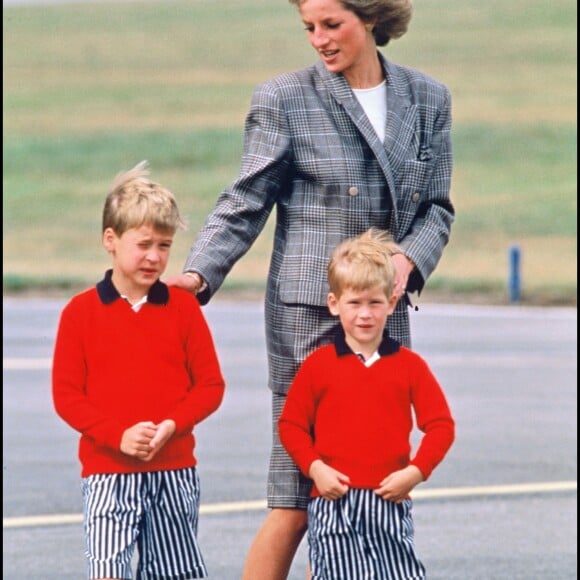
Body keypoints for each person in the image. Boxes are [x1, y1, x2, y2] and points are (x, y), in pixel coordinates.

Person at [165, 0, 454, 576]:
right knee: (297, 495)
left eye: (331, 25)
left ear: (370, 19)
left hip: (382, 309)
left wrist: (407, 263)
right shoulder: (285, 96)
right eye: (309, 28)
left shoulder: (429, 98)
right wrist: (197, 277)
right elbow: (247, 198)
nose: (319, 40)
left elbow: (437, 211)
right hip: (307, 314)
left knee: (374, 488)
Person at [52, 161, 225, 580]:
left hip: (174, 471)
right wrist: (118, 436)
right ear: (110, 240)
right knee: (107, 571)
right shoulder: (80, 313)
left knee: (174, 573)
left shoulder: (183, 309)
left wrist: (173, 424)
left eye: (164, 246)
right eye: (144, 243)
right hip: (108, 474)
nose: (154, 257)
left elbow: (210, 386)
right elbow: (68, 397)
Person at [278, 228, 455, 579]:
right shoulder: (318, 366)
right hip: (333, 503)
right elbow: (291, 425)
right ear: (334, 304)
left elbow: (441, 426)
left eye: (374, 302)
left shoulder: (409, 366)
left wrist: (415, 472)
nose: (364, 314)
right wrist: (315, 468)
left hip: (389, 501)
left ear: (391, 303)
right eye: (354, 303)